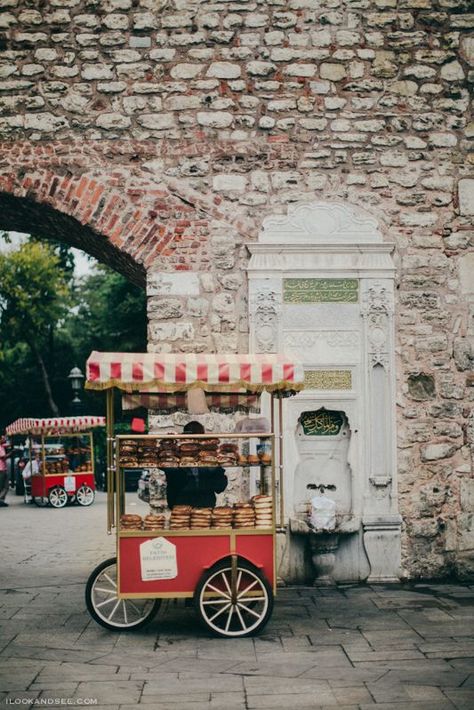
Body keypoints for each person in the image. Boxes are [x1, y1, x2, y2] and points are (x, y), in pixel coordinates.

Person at [164, 421, 228, 509]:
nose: (194, 442)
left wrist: (213, 470)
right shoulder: (177, 456)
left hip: (205, 505)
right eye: (191, 438)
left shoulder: (210, 459)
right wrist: (169, 445)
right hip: (181, 506)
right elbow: (168, 471)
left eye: (197, 439)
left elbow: (220, 487)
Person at [0, 436, 9, 507]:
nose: (5, 439)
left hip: (3, 469)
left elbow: (8, 444)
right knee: (3, 486)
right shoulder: (0, 448)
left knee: (5, 486)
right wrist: (11, 453)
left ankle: (1, 501)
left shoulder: (2, 446)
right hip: (1, 469)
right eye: (3, 438)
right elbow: (3, 457)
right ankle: (0, 500)